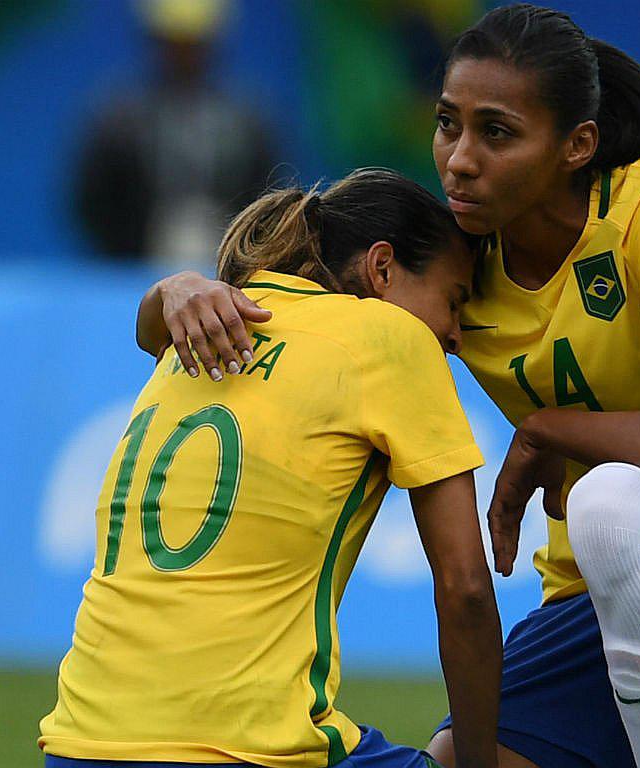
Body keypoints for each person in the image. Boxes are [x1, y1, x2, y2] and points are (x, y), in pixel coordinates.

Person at [133, 5, 640, 768]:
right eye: (446, 124)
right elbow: (287, 323)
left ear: (576, 144)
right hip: (597, 609)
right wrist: (177, 292)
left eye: (496, 132)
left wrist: (545, 429)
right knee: (454, 762)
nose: (458, 159)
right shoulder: (458, 280)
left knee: (610, 501)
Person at [40, 168, 503, 768]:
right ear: (382, 268)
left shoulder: (204, 326)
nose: (456, 335)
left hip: (79, 741)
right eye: (455, 301)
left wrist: (170, 288)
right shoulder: (390, 338)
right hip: (245, 749)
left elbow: (148, 325)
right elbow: (466, 591)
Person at [71, 0, 277, 266]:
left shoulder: (247, 120)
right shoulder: (118, 120)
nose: (184, 55)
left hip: (228, 266)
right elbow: (92, 201)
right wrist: (126, 252)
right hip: (135, 267)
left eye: (193, 44)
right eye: (175, 44)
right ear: (155, 43)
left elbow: (268, 194)